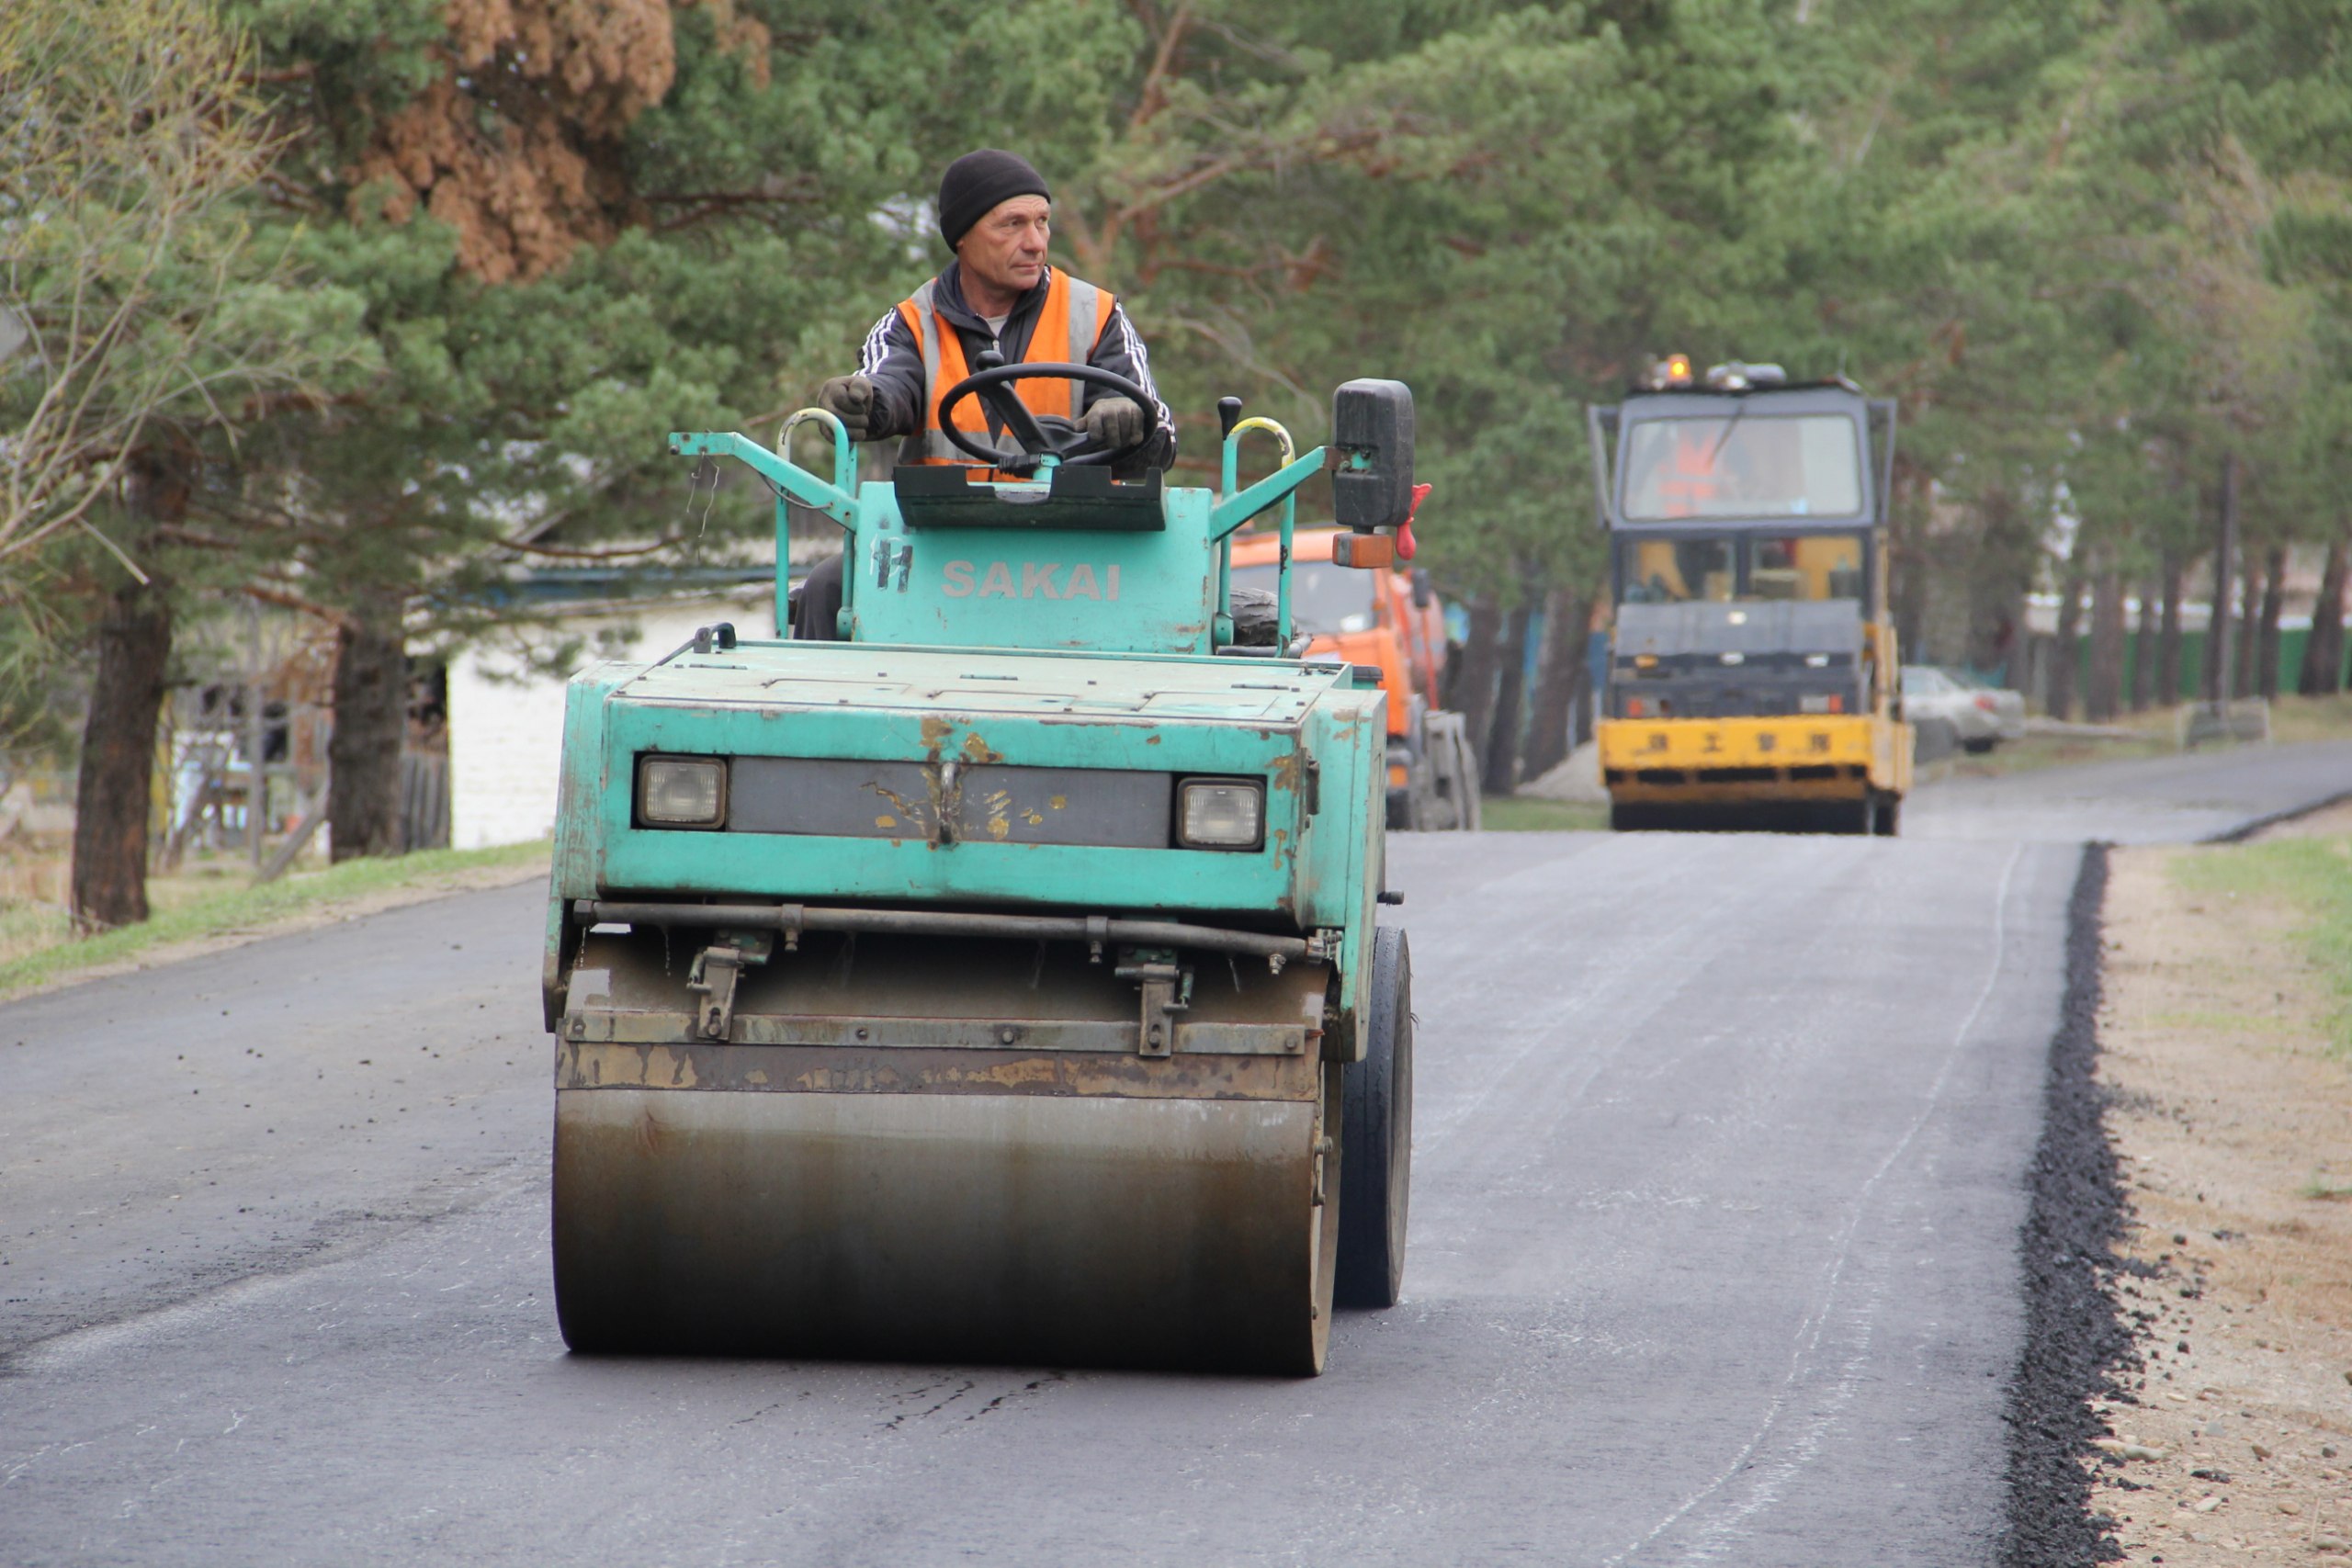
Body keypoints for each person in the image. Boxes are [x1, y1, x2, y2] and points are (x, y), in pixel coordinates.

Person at [792, 149, 1174, 640]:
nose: (1035, 243)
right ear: (963, 238)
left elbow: (1158, 430)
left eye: (1042, 222)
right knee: (828, 587)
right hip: (943, 547)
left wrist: (1129, 420)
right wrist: (859, 402)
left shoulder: (1096, 315)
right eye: (1012, 224)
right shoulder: (911, 324)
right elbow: (889, 386)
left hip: (1074, 556)